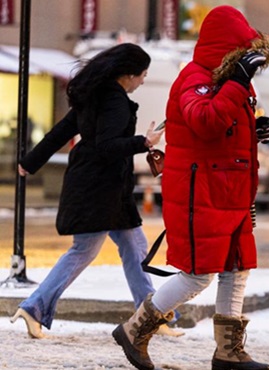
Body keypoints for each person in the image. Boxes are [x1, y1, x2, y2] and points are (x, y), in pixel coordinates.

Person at [112, 6, 269, 370]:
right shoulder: (194, 78)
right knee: (198, 273)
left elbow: (226, 125)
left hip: (231, 192)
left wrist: (258, 129)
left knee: (237, 268)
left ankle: (228, 351)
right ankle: (135, 329)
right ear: (226, 47)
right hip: (199, 193)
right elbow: (204, 120)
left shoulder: (233, 81)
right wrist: (236, 83)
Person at [10, 43, 168, 339]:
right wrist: (143, 142)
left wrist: (30, 162)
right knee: (83, 251)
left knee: (135, 249)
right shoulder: (114, 101)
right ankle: (34, 307)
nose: (144, 80)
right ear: (129, 74)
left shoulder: (94, 97)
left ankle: (150, 317)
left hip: (105, 190)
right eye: (143, 74)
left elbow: (60, 132)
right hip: (100, 191)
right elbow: (107, 147)